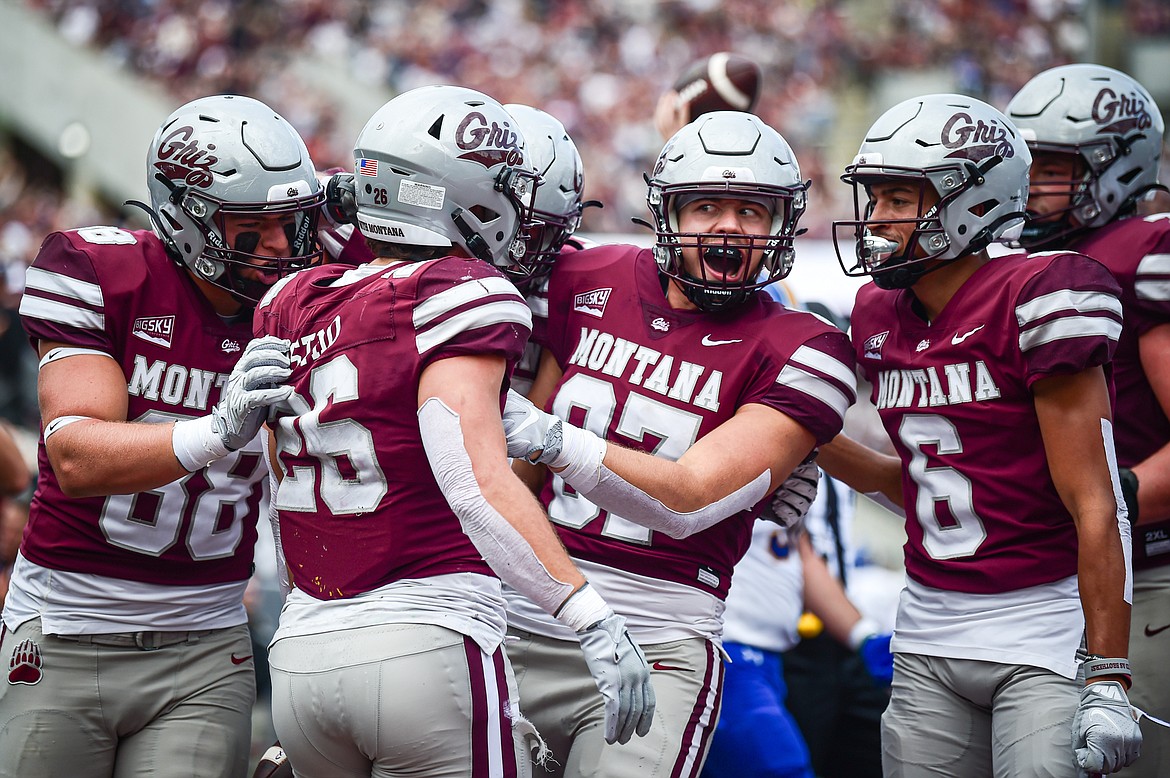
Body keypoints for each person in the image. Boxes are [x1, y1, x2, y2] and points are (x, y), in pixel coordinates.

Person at [253, 84, 654, 778]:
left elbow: (283, 475)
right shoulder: (462, 291)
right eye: (505, 191)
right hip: (426, 635)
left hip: (301, 653)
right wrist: (590, 616)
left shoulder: (289, 298)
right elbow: (473, 482)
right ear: (450, 192)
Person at [499, 110, 858, 778]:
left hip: (661, 630)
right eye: (706, 206)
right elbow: (514, 476)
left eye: (751, 210)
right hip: (521, 608)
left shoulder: (802, 347)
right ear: (667, 212)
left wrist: (547, 436)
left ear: (780, 224)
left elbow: (689, 502)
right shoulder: (586, 277)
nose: (728, 227)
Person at [0, 94, 323, 778]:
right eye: (252, 227)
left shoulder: (306, 295)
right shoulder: (103, 272)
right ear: (187, 217)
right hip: (66, 627)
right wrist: (216, 430)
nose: (279, 247)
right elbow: (76, 455)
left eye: (290, 224)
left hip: (206, 646)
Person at [819, 92, 1141, 777]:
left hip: (1041, 634)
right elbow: (914, 484)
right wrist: (803, 430)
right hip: (927, 628)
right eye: (873, 199)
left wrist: (1109, 673)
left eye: (898, 199)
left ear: (972, 201)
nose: (875, 221)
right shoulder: (878, 313)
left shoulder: (1040, 295)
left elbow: (1096, 500)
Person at [1006, 63, 1170, 776]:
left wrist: (1111, 501)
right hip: (1053, 576)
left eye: (1051, 167)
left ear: (1114, 167)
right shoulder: (1037, 259)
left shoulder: (1145, 250)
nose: (1030, 183)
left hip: (1147, 572)